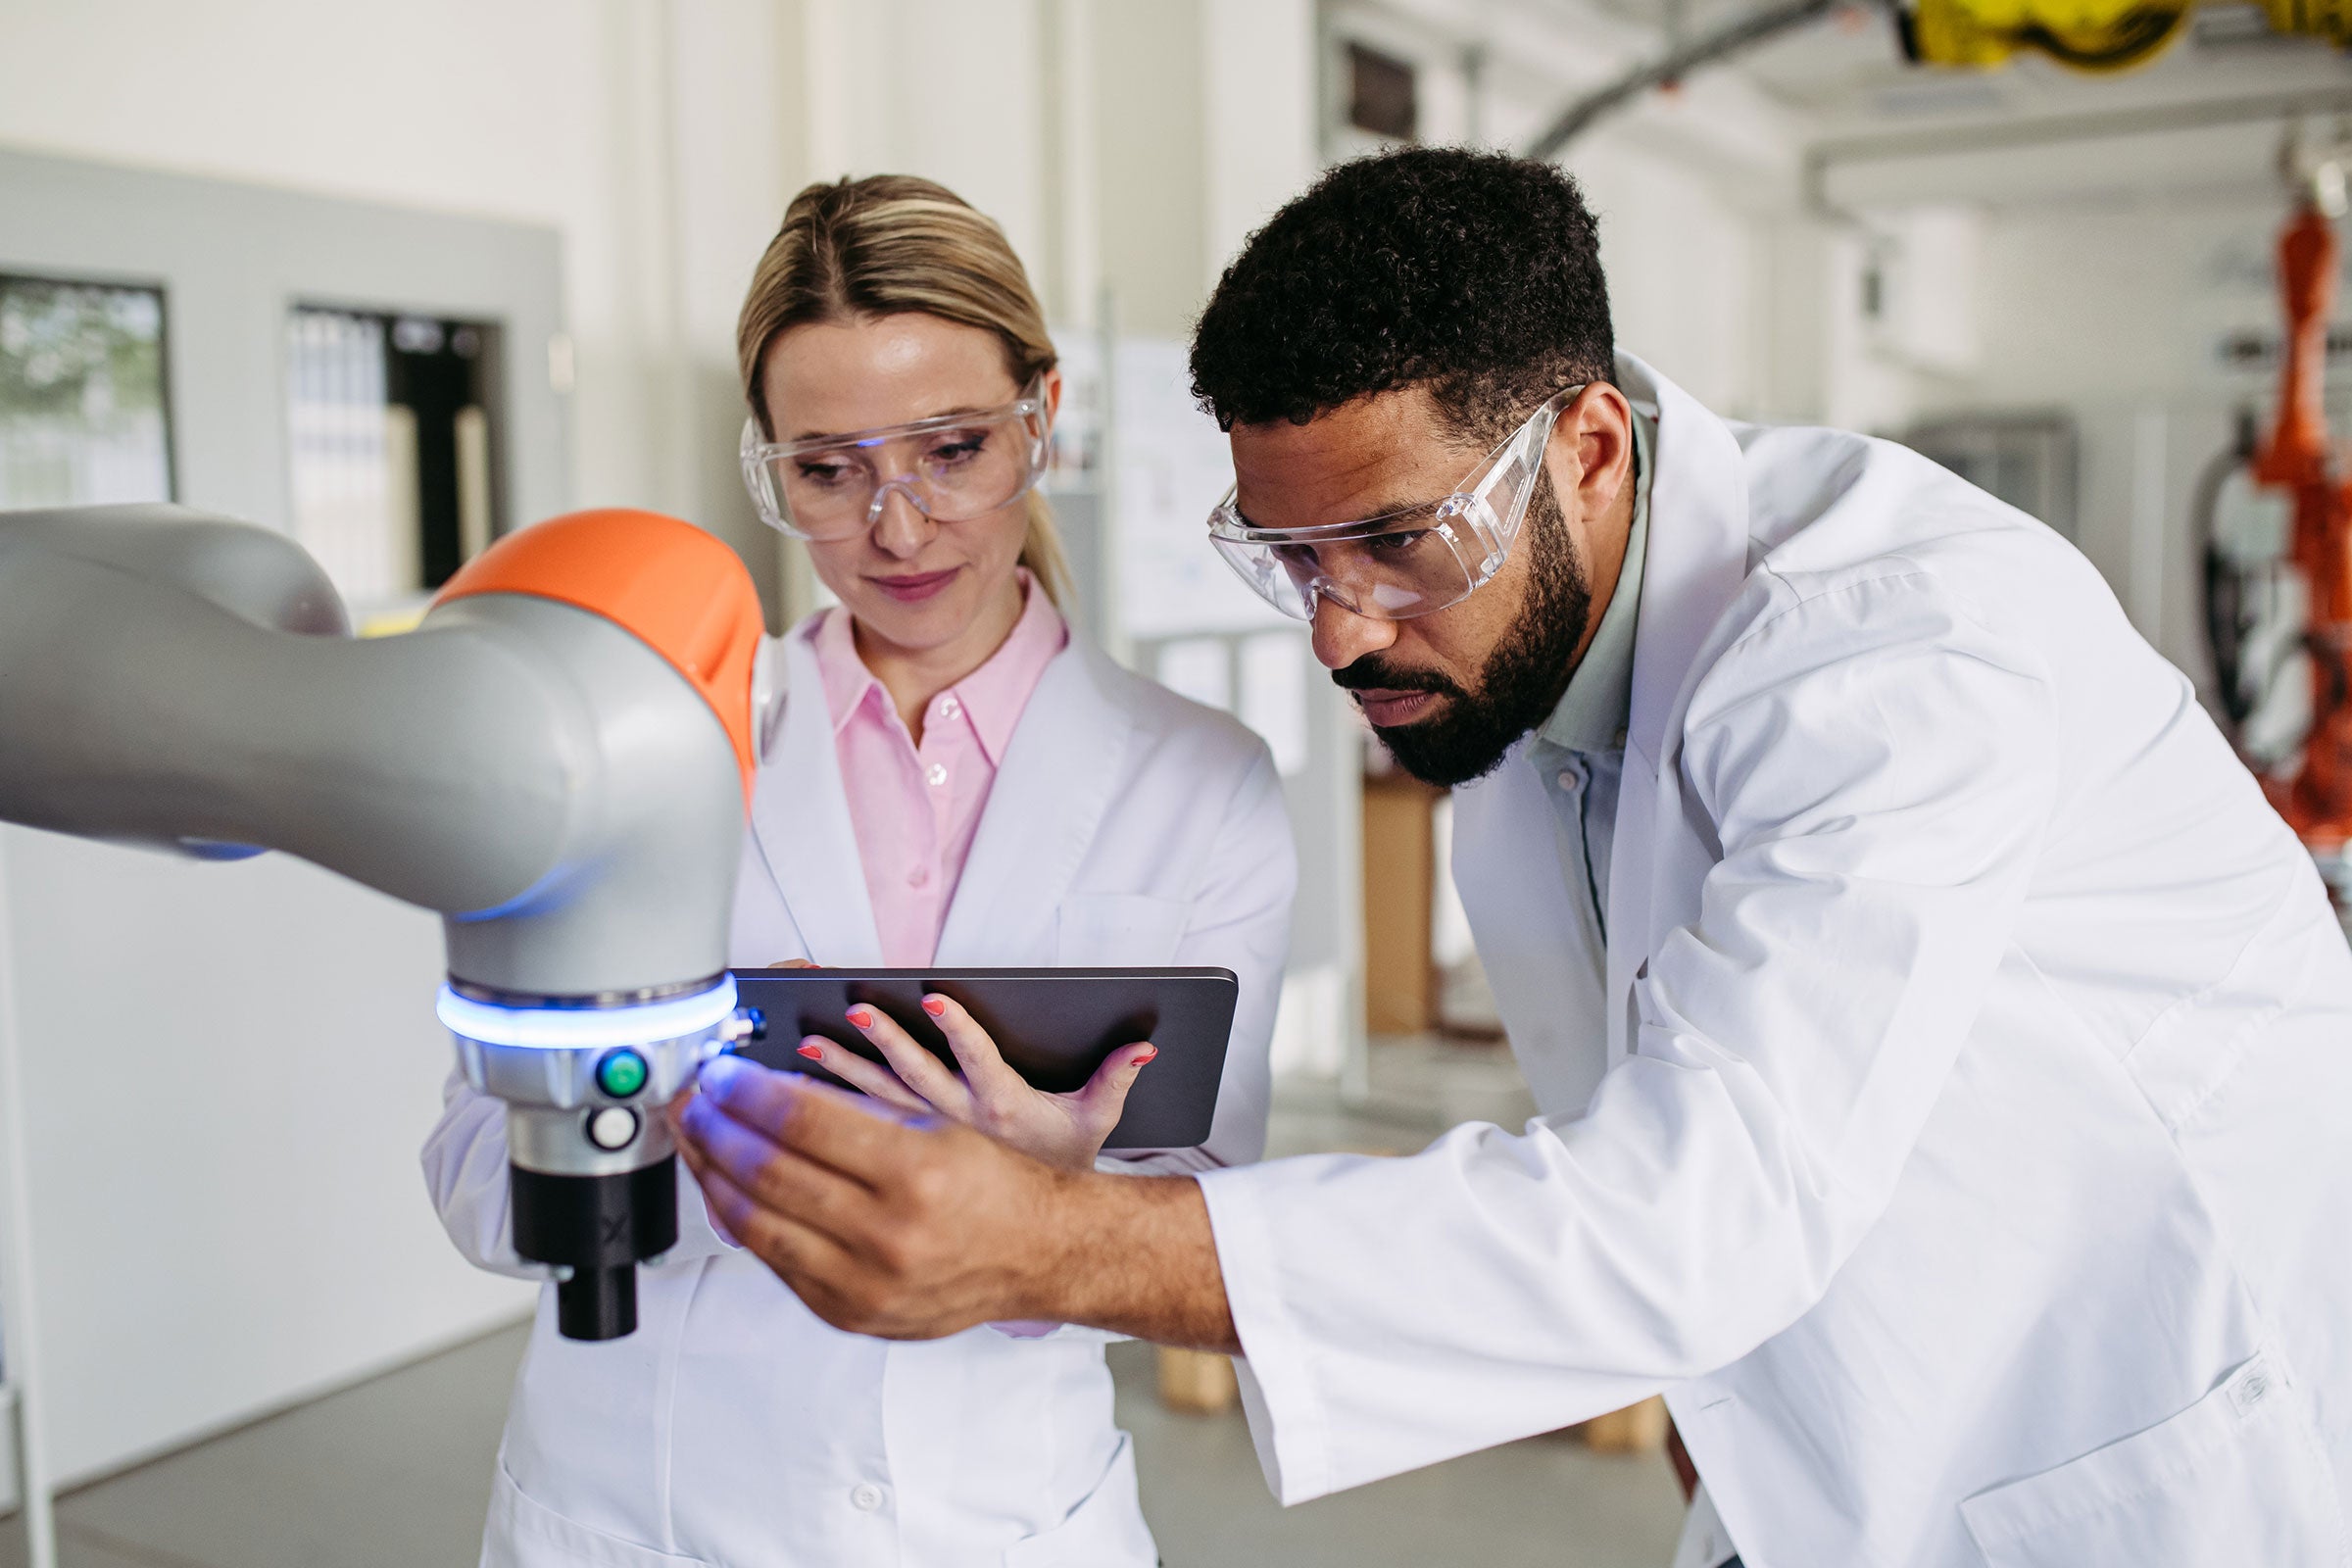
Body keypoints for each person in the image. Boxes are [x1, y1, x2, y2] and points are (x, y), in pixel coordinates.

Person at [671, 147, 2352, 1568]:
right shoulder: (1517, 714)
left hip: (2151, 1469)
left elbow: (1701, 1206)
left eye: (1396, 544)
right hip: (1835, 1468)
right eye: (1293, 557)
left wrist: (1054, 1242)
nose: (1340, 632)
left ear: (1591, 450)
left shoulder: (1891, 653)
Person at [423, 173, 1296, 1568]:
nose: (895, 528)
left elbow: (1207, 1209)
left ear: (1043, 422)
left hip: (997, 1517)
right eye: (826, 471)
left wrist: (1049, 1209)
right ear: (768, 461)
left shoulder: (1203, 783)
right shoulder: (633, 749)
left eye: (951, 449)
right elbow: (478, 1171)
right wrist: (701, 1127)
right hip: (640, 1514)